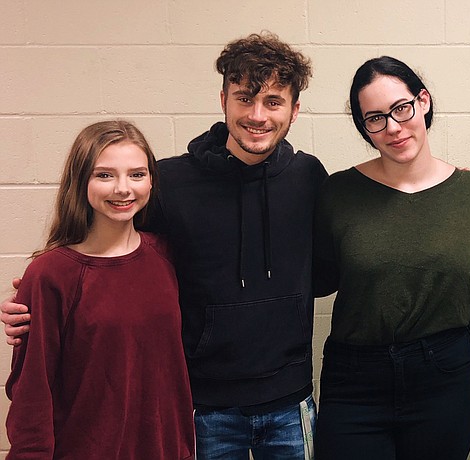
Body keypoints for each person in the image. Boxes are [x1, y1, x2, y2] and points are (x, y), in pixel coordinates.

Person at [2, 33, 326, 459]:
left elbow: (329, 270)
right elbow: (113, 255)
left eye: (273, 101)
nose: (257, 115)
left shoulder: (309, 177)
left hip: (290, 400)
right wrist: (40, 299)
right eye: (244, 98)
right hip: (204, 407)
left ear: (294, 109)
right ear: (223, 100)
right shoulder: (171, 182)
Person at [311, 56, 470, 460]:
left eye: (401, 108)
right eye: (374, 118)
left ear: (422, 102)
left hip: (442, 377)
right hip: (356, 379)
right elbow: (319, 277)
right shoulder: (338, 192)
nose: (392, 127)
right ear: (364, 128)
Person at [5, 120, 194, 459]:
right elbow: (33, 392)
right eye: (104, 175)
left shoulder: (168, 255)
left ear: (151, 180)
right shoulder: (51, 274)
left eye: (136, 174)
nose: (123, 188)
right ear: (81, 182)